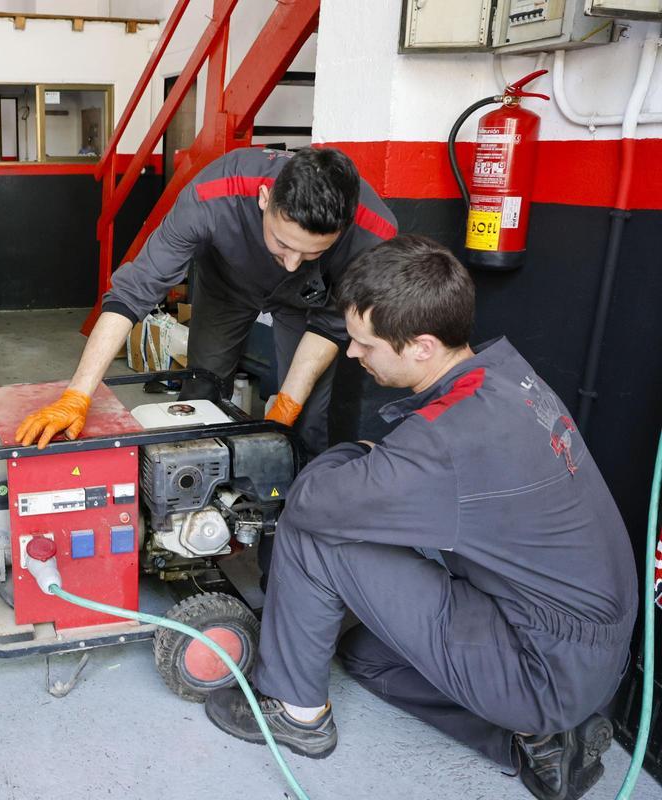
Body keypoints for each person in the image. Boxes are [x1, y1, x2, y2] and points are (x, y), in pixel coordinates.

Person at [202, 235, 637, 800]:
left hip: (543, 665)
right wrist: (375, 462)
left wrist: (352, 455)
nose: (353, 354)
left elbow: (313, 504)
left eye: (365, 344)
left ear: (423, 346)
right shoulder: (505, 375)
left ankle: (296, 714)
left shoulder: (447, 443)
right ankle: (540, 742)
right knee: (366, 657)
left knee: (314, 531)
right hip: (589, 653)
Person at [15, 146, 397, 454]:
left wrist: (285, 408)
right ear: (264, 199)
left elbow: (329, 325)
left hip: (307, 305)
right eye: (282, 244)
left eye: (312, 252)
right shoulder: (212, 195)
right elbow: (134, 291)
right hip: (227, 285)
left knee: (307, 416)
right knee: (202, 390)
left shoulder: (374, 230)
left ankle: (290, 507)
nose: (293, 262)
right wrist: (77, 394)